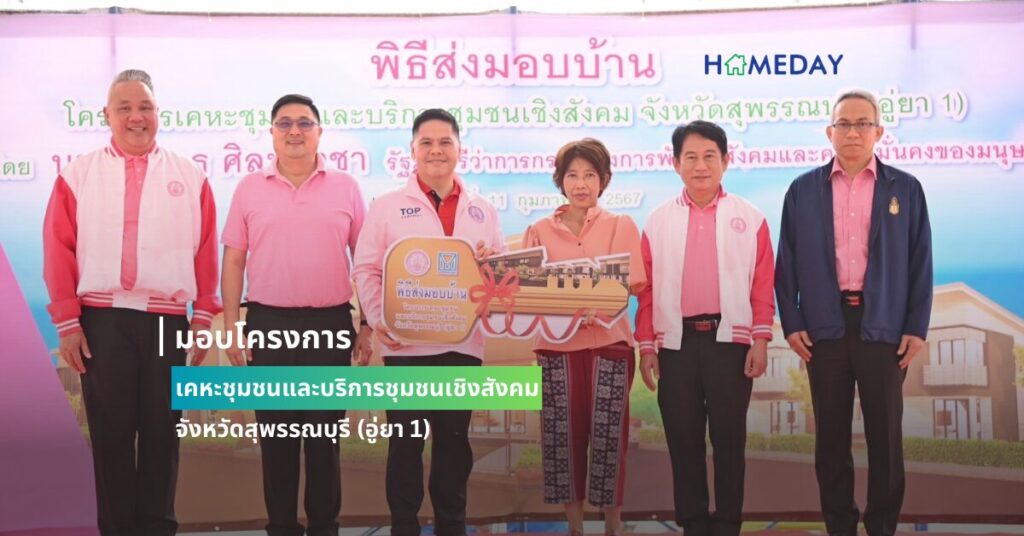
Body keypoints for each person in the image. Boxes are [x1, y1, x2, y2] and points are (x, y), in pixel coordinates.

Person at [42, 69, 220, 535]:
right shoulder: (78, 175)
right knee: (111, 438)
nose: (135, 117)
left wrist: (203, 317)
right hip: (101, 321)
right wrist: (67, 322)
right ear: (107, 115)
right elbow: (58, 249)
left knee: (163, 434)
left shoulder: (190, 175)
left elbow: (206, 250)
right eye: (124, 108)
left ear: (158, 113)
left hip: (167, 322)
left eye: (144, 107)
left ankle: (158, 528)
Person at [775, 89, 933, 536]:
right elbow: (786, 262)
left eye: (863, 123)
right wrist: (792, 323)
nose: (853, 132)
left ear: (879, 132)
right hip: (824, 328)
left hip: (884, 327)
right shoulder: (803, 190)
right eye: (844, 124)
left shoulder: (905, 188)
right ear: (829, 131)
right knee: (830, 440)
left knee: (886, 440)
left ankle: (881, 526)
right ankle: (839, 526)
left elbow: (921, 260)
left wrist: (916, 326)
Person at [220, 93, 370, 536]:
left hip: (329, 325)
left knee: (324, 441)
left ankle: (325, 527)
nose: (294, 131)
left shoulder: (346, 187)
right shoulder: (249, 188)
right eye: (284, 123)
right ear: (271, 133)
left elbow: (364, 262)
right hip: (268, 325)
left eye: (304, 123)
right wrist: (231, 326)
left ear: (320, 132)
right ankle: (281, 527)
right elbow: (233, 260)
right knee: (277, 441)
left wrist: (366, 324)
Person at [352, 108, 504, 536]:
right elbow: (366, 269)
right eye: (427, 143)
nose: (436, 150)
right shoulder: (386, 207)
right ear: (412, 150)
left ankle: (451, 527)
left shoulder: (483, 210)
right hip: (406, 348)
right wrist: (379, 320)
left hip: (463, 347)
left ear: (460, 149)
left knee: (454, 448)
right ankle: (404, 527)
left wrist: (491, 270)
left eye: (445, 142)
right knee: (405, 445)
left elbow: (497, 277)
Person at [635, 120, 775, 536]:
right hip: (675, 345)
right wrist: (647, 346)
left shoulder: (750, 217)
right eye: (691, 157)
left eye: (709, 156)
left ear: (726, 161)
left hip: (730, 343)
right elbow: (645, 290)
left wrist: (761, 339)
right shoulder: (657, 221)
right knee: (683, 440)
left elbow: (763, 284)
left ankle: (729, 522)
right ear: (675, 163)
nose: (700, 166)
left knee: (730, 440)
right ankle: (693, 523)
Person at [521, 138, 646, 536]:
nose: (581, 184)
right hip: (556, 349)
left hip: (610, 345)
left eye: (590, 175)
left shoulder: (621, 225)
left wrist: (600, 304)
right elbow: (525, 289)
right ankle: (574, 527)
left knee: (609, 439)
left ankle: (613, 527)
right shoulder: (538, 230)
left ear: (604, 179)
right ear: (560, 180)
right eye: (572, 175)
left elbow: (629, 284)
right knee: (562, 439)